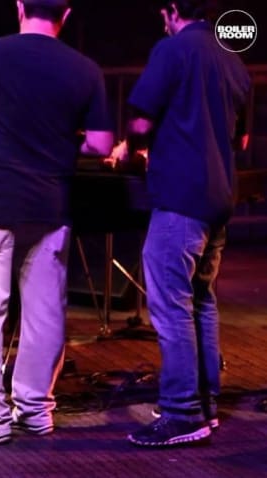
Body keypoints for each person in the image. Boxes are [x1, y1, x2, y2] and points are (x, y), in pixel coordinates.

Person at [0, 0, 113, 444]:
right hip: (50, 203)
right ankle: (36, 412)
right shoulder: (85, 69)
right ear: (68, 13)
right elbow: (100, 144)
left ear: (19, 6)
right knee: (44, 313)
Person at [119, 0, 250, 448]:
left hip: (180, 197)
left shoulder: (172, 49)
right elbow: (243, 137)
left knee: (171, 305)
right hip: (220, 198)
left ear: (173, 8)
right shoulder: (232, 57)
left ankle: (181, 413)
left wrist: (130, 147)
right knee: (199, 301)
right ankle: (205, 405)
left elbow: (140, 119)